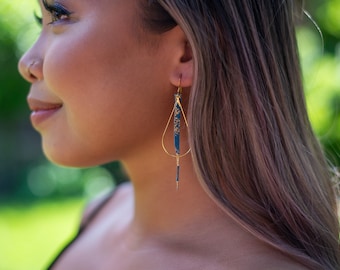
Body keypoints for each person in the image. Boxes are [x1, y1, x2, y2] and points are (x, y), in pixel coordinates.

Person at [18, 0, 339, 269]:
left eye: (59, 15)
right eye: (40, 19)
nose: (27, 63)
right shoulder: (100, 213)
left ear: (186, 53)